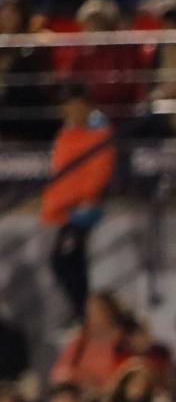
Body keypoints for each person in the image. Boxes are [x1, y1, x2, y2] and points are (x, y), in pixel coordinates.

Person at [42, 90, 115, 319]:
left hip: (81, 208)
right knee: (71, 260)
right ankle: (84, 312)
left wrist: (82, 198)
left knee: (64, 259)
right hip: (66, 208)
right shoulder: (65, 135)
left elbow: (98, 171)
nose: (71, 111)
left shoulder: (97, 135)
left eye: (74, 105)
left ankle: (83, 312)